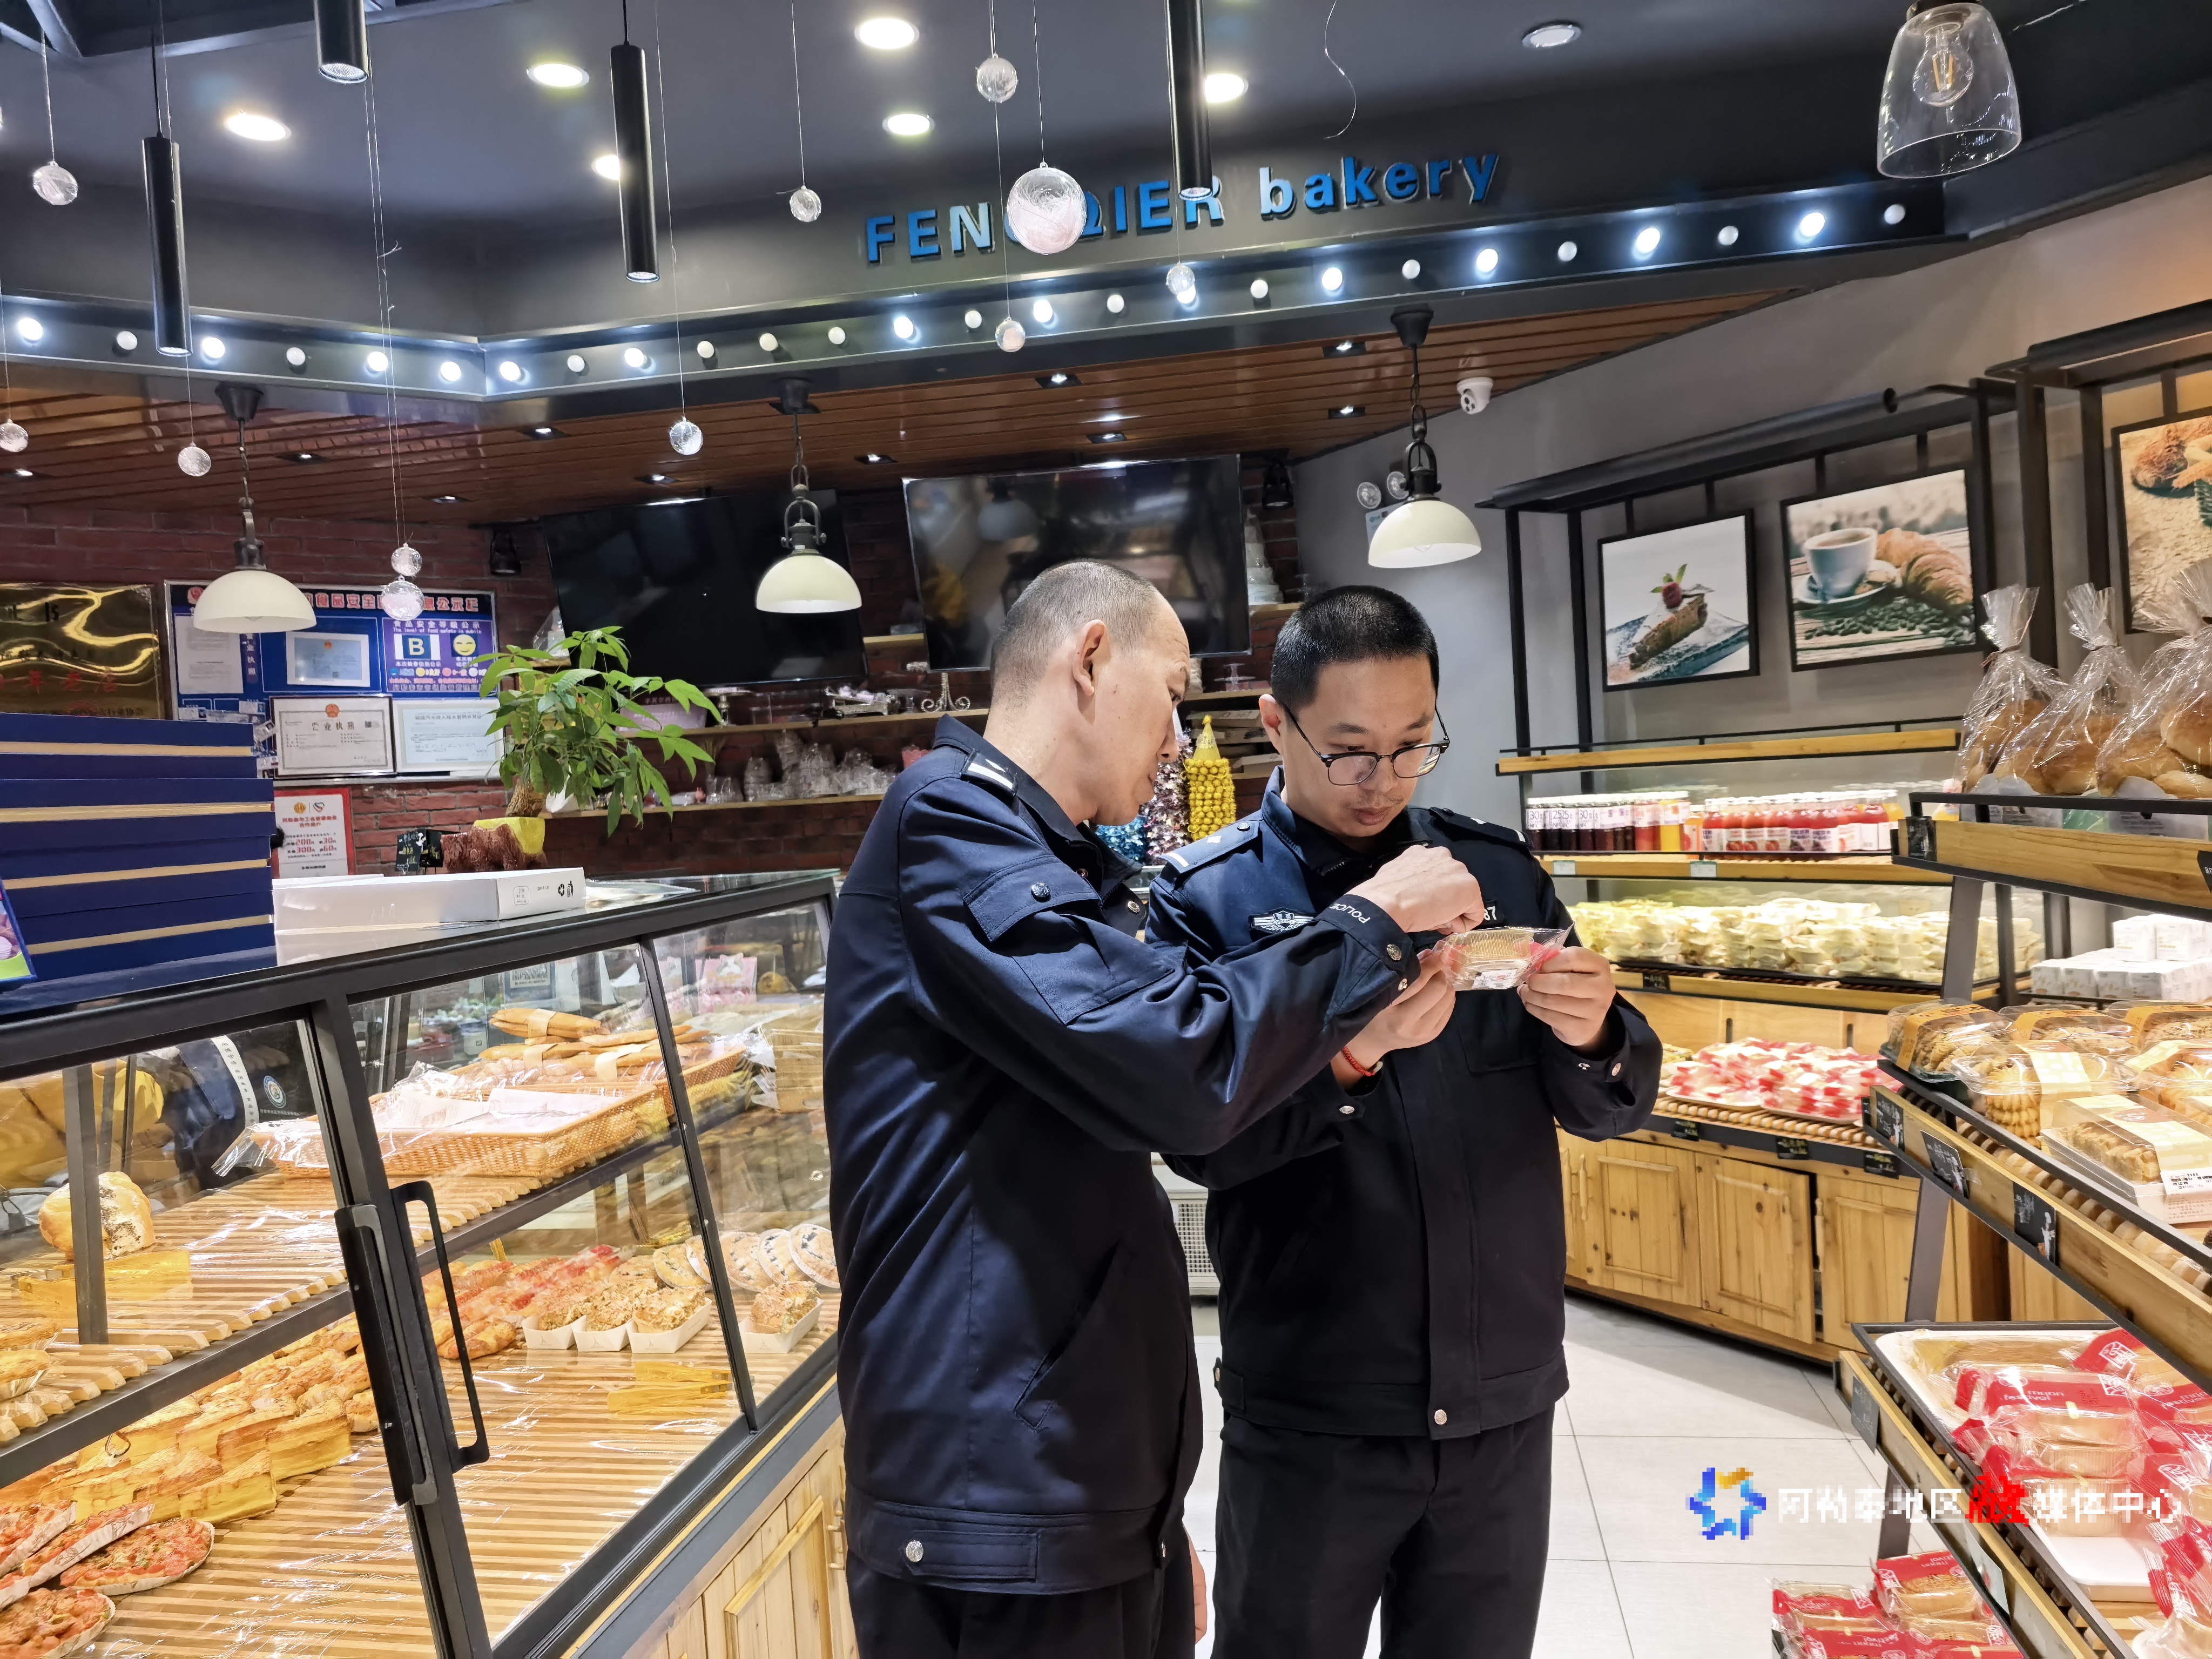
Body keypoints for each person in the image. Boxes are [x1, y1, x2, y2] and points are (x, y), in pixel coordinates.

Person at [824, 561, 1486, 1659]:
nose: (1179, 740)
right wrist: (1368, 925)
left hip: (1075, 1485)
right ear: (1090, 659)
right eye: (1173, 695)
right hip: (996, 1504)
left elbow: (1166, 1091)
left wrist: (1351, 1049)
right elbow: (1176, 1066)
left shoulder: (1041, 851)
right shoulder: (950, 822)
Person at [1145, 586, 1661, 1659]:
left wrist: (1593, 1030)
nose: (1383, 780)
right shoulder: (1207, 901)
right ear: (1276, 722)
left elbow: (1606, 1102)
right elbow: (1201, 1144)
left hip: (1499, 1397)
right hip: (1314, 1407)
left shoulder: (1497, 872)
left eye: (1412, 745)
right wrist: (1347, 1054)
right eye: (1348, 752)